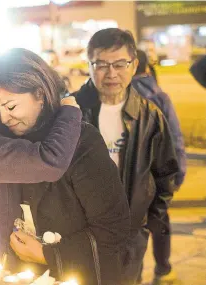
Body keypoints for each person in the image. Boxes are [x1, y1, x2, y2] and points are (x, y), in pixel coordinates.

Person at [0, 50, 130, 285]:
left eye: (11, 106)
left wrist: (48, 254)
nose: (4, 118)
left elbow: (115, 228)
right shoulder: (4, 135)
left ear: (39, 93)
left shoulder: (80, 141)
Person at [72, 28, 180, 285]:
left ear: (133, 66)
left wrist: (145, 222)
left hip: (129, 234)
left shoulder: (150, 116)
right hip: (79, 232)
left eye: (120, 64)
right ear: (89, 65)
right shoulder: (71, 111)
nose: (111, 73)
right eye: (101, 64)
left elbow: (165, 175)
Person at [131, 49, 186, 284]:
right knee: (160, 221)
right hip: (157, 175)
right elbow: (175, 138)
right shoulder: (159, 95)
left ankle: (134, 275)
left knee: (133, 230)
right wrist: (179, 173)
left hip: (130, 178)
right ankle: (162, 270)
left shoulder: (119, 96)